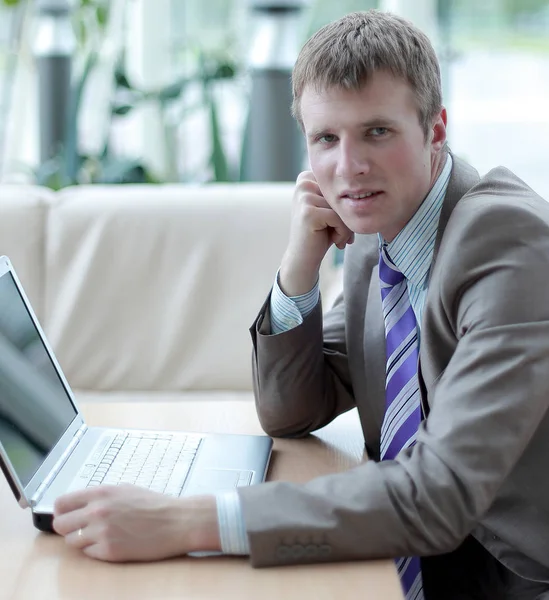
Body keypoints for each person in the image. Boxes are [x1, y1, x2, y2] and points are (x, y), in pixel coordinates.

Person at [52, 9, 549, 599]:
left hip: (514, 576)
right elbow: (292, 409)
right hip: (428, 556)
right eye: (326, 139)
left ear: (436, 129)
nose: (349, 167)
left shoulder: (506, 242)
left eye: (377, 132)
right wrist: (299, 267)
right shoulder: (379, 237)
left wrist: (186, 521)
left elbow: (439, 495)